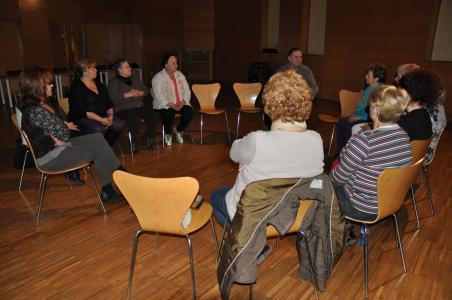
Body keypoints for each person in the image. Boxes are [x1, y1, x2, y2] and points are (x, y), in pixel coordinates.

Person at [211, 70, 324, 229]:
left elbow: (234, 153)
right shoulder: (316, 140)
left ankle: (245, 237)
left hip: (255, 216)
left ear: (270, 104)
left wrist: (247, 159)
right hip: (292, 216)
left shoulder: (257, 140)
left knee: (216, 195)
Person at [18, 66, 124, 203]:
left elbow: (61, 131)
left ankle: (116, 184)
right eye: (49, 83)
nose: (52, 85)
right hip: (50, 157)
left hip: (60, 147)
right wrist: (57, 138)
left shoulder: (43, 104)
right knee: (99, 150)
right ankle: (119, 183)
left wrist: (59, 134)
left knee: (97, 139)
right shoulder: (35, 110)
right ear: (37, 86)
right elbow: (61, 135)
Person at [330, 85, 413, 245]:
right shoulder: (404, 138)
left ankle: (342, 231)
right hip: (391, 201)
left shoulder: (363, 141)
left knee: (327, 182)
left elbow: (338, 178)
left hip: (362, 207)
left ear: (374, 111)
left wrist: (328, 181)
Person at [68, 59, 126, 146]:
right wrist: (101, 120)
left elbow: (108, 102)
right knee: (98, 128)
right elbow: (81, 110)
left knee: (119, 124)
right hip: (83, 117)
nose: (96, 70)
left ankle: (105, 148)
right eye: (92, 69)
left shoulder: (99, 84)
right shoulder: (76, 87)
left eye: (95, 68)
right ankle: (98, 152)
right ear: (84, 72)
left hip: (102, 115)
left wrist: (110, 116)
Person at [335, 63, 387, 153]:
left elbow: (368, 109)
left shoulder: (371, 88)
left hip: (367, 119)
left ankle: (343, 153)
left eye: (368, 75)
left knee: (343, 123)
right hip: (373, 118)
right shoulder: (383, 88)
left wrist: (360, 117)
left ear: (376, 79)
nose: (365, 77)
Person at [108, 59, 155, 152]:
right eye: (127, 67)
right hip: (123, 108)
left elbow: (146, 91)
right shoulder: (113, 82)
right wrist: (126, 94)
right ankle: (133, 142)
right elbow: (111, 97)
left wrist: (140, 93)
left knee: (152, 115)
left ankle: (147, 139)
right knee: (134, 119)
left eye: (129, 66)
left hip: (138, 105)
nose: (130, 68)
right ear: (119, 69)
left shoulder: (135, 78)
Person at [152, 53, 193, 146]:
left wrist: (183, 102)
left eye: (176, 63)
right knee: (168, 114)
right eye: (173, 63)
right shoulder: (158, 77)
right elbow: (158, 95)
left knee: (189, 112)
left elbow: (187, 90)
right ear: (166, 65)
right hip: (164, 105)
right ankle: (167, 133)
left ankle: (178, 130)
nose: (176, 65)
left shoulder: (180, 75)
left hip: (180, 103)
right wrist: (171, 105)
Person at [397, 69, 440, 141]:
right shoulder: (425, 114)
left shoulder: (406, 122)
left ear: (409, 93)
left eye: (400, 89)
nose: (398, 92)